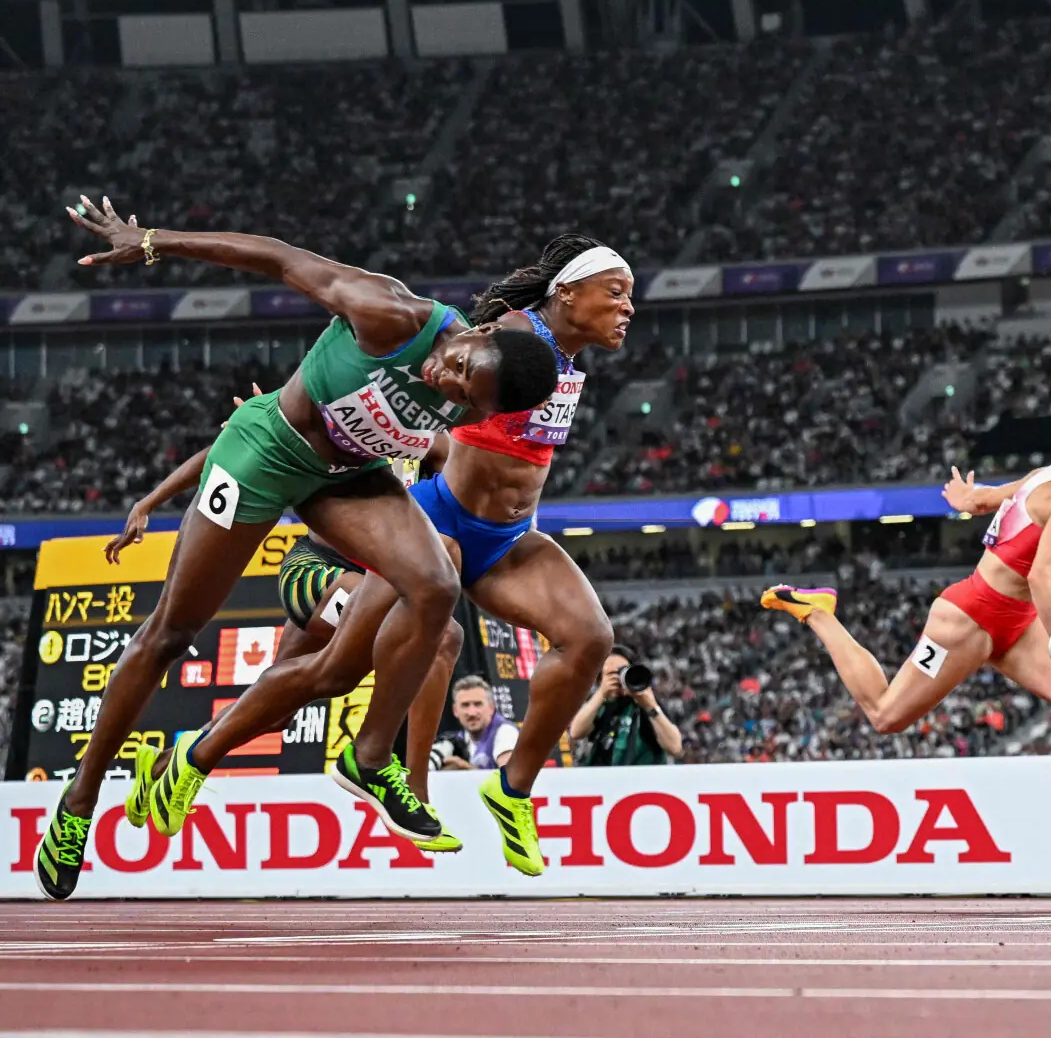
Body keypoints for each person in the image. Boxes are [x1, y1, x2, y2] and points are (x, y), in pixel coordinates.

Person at [36, 198, 559, 901]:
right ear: (478, 332)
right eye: (461, 365)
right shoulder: (391, 314)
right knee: (171, 633)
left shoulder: (480, 398)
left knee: (435, 586)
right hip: (265, 454)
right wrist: (154, 241)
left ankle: (373, 759)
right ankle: (77, 804)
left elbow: (434, 443)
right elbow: (277, 254)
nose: (449, 380)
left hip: (349, 478)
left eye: (470, 391)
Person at [137, 234, 632, 878]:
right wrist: (300, 421)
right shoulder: (505, 338)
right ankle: (203, 757)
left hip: (506, 539)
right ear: (568, 293)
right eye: (616, 294)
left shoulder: (560, 361)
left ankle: (510, 791)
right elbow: (423, 384)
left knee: (591, 637)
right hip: (428, 526)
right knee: (335, 671)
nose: (628, 310)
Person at [761, 404, 1051, 875]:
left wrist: (967, 497)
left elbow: (988, 502)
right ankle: (820, 614)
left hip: (1018, 619)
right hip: (970, 617)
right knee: (886, 715)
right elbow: (1044, 578)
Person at [107, 446, 466, 853]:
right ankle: (416, 793)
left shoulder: (437, 442)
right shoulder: (353, 412)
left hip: (377, 581)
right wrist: (150, 501)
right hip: (317, 571)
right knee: (444, 638)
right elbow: (232, 442)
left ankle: (161, 764)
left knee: (277, 711)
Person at [570, 646, 683, 766]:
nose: (618, 678)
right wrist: (601, 694)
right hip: (605, 780)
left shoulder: (647, 704)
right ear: (600, 679)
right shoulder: (601, 705)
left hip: (641, 781)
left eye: (623, 671)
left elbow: (675, 748)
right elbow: (576, 732)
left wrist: (650, 706)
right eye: (611, 674)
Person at [437, 676, 520, 771]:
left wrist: (466, 769)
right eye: (465, 705)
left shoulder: (505, 732)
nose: (471, 712)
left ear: (491, 708)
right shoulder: (459, 740)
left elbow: (509, 780)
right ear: (455, 710)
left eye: (478, 704)